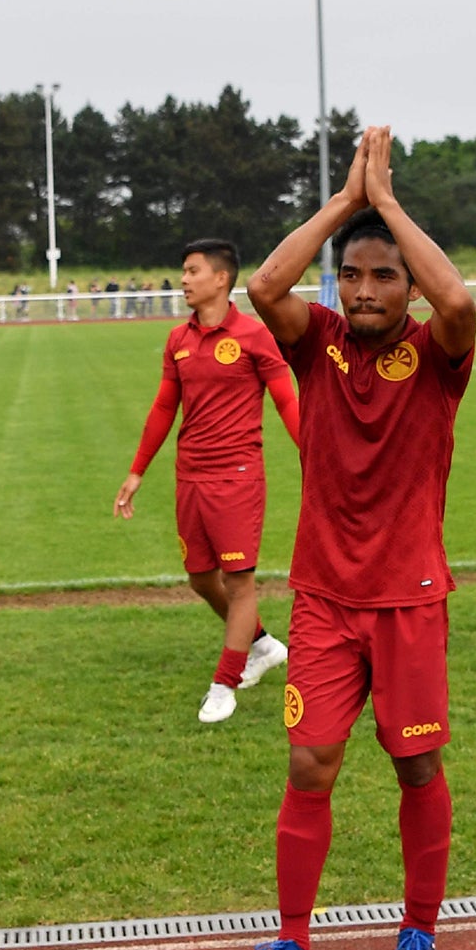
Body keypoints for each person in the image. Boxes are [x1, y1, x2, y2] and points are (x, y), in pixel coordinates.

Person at [243, 127, 476, 950]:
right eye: (355, 273)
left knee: (416, 766)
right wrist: (347, 201)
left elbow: (454, 300)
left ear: (406, 284)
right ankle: (291, 942)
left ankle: (419, 931)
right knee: (310, 763)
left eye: (385, 275)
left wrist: (391, 207)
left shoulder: (438, 354)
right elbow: (265, 285)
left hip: (409, 601)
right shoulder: (320, 342)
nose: (368, 289)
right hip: (325, 601)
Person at [114, 239, 299, 723]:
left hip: (237, 478)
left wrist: (316, 458)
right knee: (200, 577)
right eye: (183, 270)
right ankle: (261, 645)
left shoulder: (256, 337)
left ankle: (225, 683)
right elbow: (162, 409)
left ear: (221, 278)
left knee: (239, 583)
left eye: (192, 270)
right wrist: (137, 472)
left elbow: (287, 402)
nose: (183, 279)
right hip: (189, 476)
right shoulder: (178, 340)